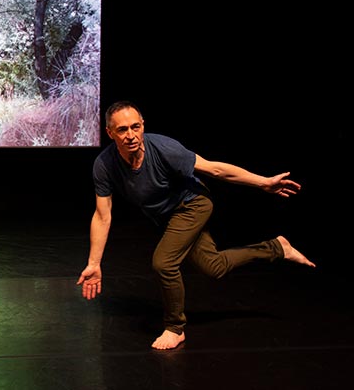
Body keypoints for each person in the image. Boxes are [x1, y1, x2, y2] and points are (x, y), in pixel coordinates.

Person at [76, 100, 315, 350]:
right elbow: (103, 215)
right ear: (110, 133)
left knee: (164, 263)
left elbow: (215, 170)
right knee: (214, 267)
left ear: (143, 125)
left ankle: (174, 328)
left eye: (135, 127)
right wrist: (94, 263)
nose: (131, 135)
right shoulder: (104, 165)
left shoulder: (165, 149)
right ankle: (277, 248)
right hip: (168, 217)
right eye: (122, 130)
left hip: (194, 204)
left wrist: (263, 183)